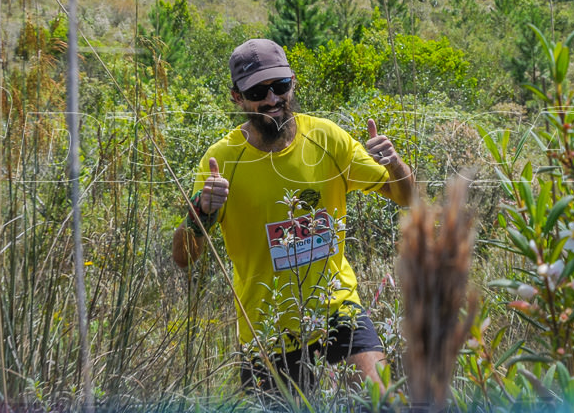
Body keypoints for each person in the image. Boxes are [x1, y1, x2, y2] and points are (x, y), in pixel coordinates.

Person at [172, 38, 415, 394]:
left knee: (381, 407)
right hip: (267, 329)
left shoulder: (327, 138)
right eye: (257, 90)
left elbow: (406, 197)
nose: (271, 99)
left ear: (293, 82)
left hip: (337, 310)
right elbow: (184, 257)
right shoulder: (222, 160)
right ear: (237, 97)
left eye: (279, 86)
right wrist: (202, 212)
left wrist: (394, 164)